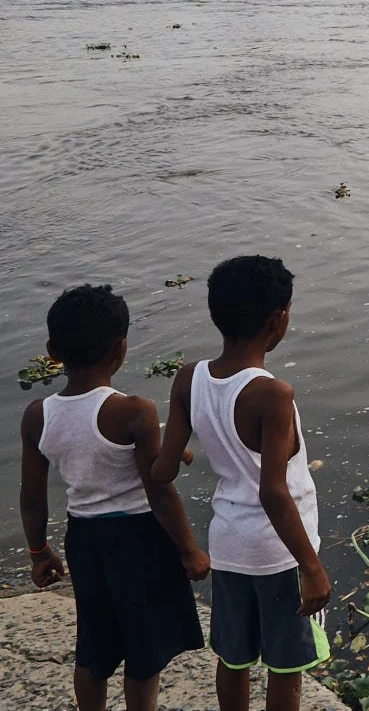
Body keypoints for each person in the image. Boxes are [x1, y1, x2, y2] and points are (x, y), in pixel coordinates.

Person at [19, 284, 207, 711]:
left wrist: (39, 553)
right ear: (121, 347)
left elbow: (31, 498)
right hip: (140, 540)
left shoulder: (37, 415)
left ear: (52, 349)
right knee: (144, 648)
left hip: (84, 540)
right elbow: (158, 491)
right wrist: (190, 549)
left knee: (95, 644)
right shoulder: (134, 410)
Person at [153, 257, 328, 711]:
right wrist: (311, 568)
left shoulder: (189, 377)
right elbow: (273, 491)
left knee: (233, 659)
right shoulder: (273, 394)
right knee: (286, 669)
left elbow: (163, 470)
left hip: (229, 546)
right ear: (279, 318)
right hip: (278, 554)